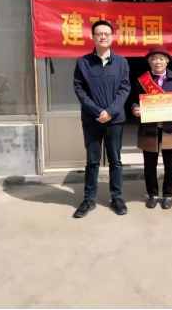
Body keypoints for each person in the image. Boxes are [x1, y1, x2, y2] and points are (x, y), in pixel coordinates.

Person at [72, 20, 131, 218]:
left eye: (106, 33)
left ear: (112, 37)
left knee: (115, 160)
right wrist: (98, 111)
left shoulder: (122, 62)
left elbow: (125, 89)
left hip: (115, 120)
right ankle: (89, 199)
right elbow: (79, 89)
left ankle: (117, 197)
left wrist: (111, 112)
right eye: (99, 33)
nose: (103, 37)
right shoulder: (83, 62)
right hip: (92, 120)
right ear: (93, 37)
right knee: (92, 161)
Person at [131, 45, 172, 210]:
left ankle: (168, 195)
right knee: (150, 165)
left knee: (171, 166)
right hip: (149, 129)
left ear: (167, 61)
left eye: (161, 58)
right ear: (149, 62)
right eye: (154, 59)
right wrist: (135, 109)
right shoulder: (142, 80)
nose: (158, 62)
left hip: (170, 128)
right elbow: (133, 100)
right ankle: (152, 194)